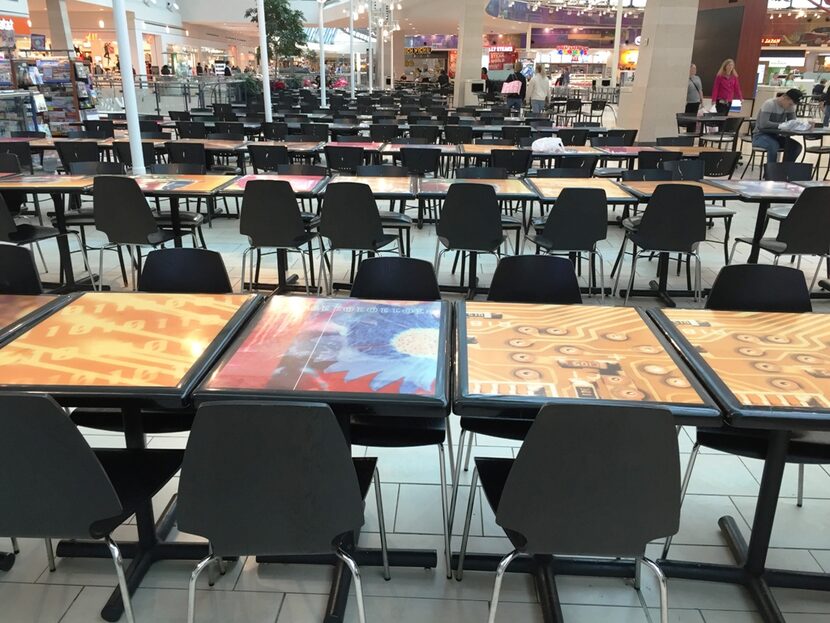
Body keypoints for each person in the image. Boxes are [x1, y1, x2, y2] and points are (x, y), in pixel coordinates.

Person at [752, 88, 803, 164]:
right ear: (785, 98)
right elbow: (763, 124)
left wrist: (802, 126)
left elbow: (792, 123)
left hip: (776, 136)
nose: (791, 106)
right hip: (760, 136)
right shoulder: (769, 104)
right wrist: (782, 125)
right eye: (790, 104)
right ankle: (771, 172)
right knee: (773, 145)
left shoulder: (790, 107)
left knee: (796, 146)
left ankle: (785, 170)